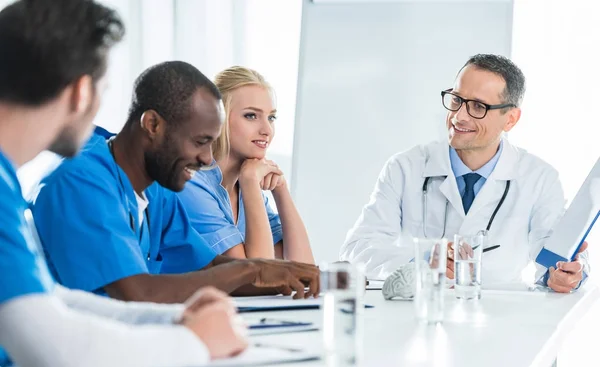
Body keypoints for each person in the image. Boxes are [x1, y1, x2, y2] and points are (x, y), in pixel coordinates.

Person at [0, 0, 246, 367]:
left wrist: (172, 317)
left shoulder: (6, 180)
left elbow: (47, 300)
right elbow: (53, 352)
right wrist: (195, 343)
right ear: (82, 91)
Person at [32, 61, 320, 304]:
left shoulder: (157, 191)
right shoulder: (81, 183)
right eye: (200, 142)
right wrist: (254, 269)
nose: (208, 160)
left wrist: (288, 274)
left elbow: (208, 267)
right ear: (153, 125)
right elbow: (135, 292)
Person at [340, 54, 589, 293]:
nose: (459, 116)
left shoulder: (539, 178)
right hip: (420, 312)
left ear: (510, 119)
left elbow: (555, 254)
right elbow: (357, 250)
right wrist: (424, 258)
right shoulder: (405, 168)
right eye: (456, 100)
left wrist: (564, 275)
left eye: (478, 106)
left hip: (501, 318)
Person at [172, 66, 314, 267]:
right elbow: (258, 276)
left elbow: (303, 269)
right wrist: (250, 183)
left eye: (271, 117)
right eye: (251, 116)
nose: (267, 130)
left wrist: (281, 190)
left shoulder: (245, 188)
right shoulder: (191, 184)